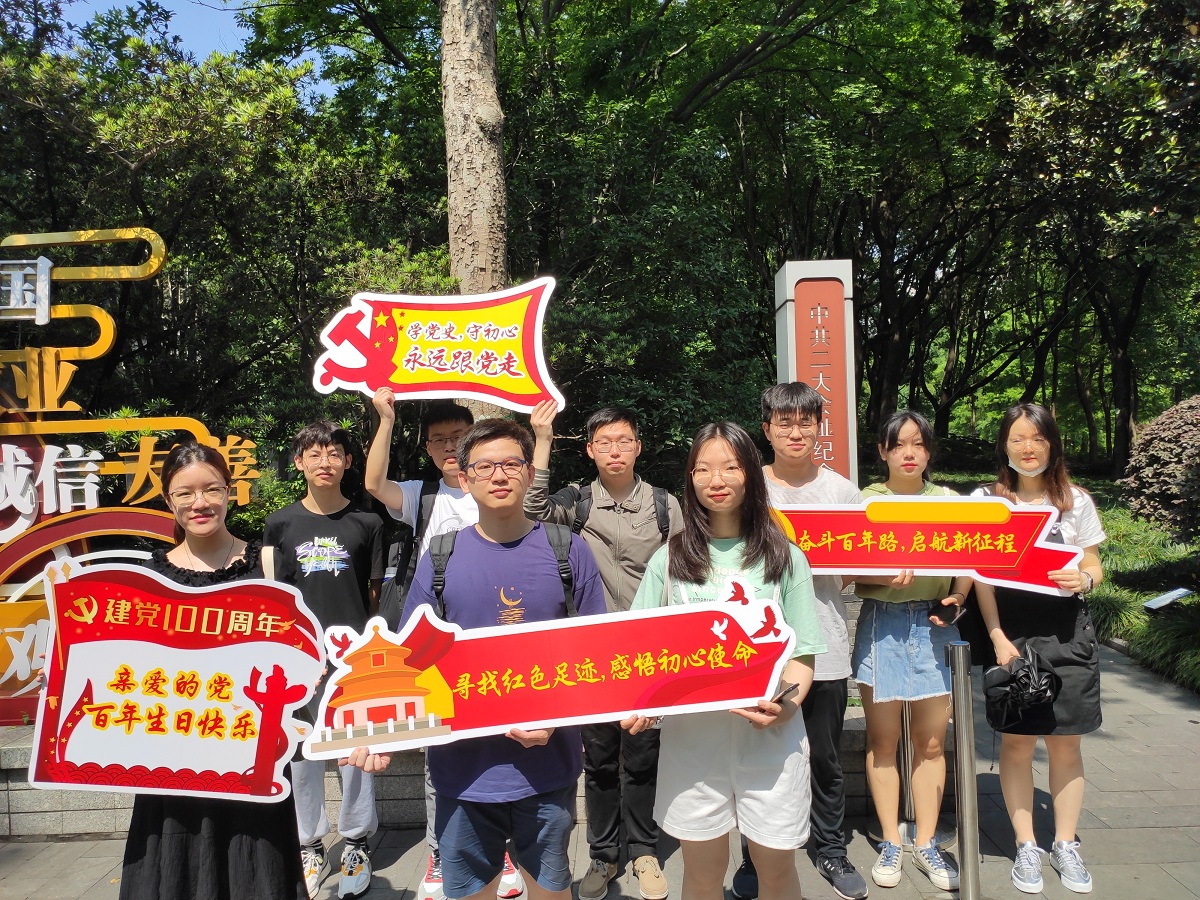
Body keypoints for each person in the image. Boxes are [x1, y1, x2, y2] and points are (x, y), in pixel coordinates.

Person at [377, 418, 606, 900]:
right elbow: (409, 661)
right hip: (462, 772)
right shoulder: (440, 556)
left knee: (551, 891)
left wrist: (558, 716)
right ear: (464, 478)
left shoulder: (569, 550)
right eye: (484, 466)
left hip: (548, 768)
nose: (499, 475)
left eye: (511, 464)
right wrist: (376, 733)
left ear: (529, 473)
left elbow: (597, 656)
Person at [624, 421, 825, 900]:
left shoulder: (786, 558)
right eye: (703, 469)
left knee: (776, 873)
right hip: (692, 744)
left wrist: (786, 706)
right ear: (690, 478)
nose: (716, 480)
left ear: (751, 472)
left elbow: (802, 655)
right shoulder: (668, 560)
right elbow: (637, 651)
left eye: (730, 467)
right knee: (701, 874)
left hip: (770, 743)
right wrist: (639, 703)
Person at [119, 442, 307, 900]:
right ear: (168, 500)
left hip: (250, 754)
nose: (199, 503)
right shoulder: (150, 578)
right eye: (184, 493)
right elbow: (127, 667)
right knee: (177, 869)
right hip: (173, 756)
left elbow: (302, 648)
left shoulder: (269, 564)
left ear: (229, 490)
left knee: (255, 870)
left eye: (212, 489)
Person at [364, 390, 526, 900]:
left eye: (458, 437)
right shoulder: (424, 495)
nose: (450, 447)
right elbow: (373, 484)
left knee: (502, 741)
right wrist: (385, 420)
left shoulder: (497, 487)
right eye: (439, 440)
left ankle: (501, 849)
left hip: (496, 634)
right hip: (440, 644)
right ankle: (440, 853)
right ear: (429, 448)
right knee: (444, 748)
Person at [523, 401, 682, 900]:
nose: (615, 451)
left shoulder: (664, 505)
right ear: (590, 450)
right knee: (599, 759)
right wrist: (543, 440)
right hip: (591, 653)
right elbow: (531, 510)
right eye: (605, 443)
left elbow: (686, 572)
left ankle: (645, 852)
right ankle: (603, 855)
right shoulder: (577, 501)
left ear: (638, 447)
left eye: (624, 441)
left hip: (648, 652)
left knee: (643, 755)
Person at [731, 382, 867, 900]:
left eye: (805, 422)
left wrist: (889, 570)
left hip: (824, 646)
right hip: (761, 651)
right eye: (783, 423)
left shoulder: (842, 493)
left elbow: (855, 570)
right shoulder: (748, 489)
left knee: (825, 760)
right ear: (766, 429)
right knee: (759, 758)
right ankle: (754, 858)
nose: (795, 432)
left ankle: (830, 849)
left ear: (818, 428)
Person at [973, 404, 1106, 896]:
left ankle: (1065, 843)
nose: (1028, 448)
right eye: (1017, 438)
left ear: (1052, 444)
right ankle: (1026, 844)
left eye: (1038, 438)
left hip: (1068, 631)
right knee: (1017, 741)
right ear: (1004, 446)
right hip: (1011, 632)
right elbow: (980, 575)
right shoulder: (986, 501)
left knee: (1067, 742)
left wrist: (1084, 579)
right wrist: (996, 636)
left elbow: (1094, 563)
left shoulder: (1076, 500)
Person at [851, 411, 972, 891]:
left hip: (934, 624)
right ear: (882, 451)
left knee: (932, 743)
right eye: (898, 445)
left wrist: (958, 596)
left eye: (918, 444)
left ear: (929, 451)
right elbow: (846, 568)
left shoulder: (949, 502)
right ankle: (889, 841)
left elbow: (971, 558)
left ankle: (926, 842)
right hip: (881, 622)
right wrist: (879, 574)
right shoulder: (864, 503)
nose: (909, 453)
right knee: (883, 742)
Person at [263, 422, 384, 900]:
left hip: (352, 657)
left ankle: (356, 844)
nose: (324, 462)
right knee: (301, 754)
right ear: (299, 463)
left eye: (334, 453)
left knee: (355, 752)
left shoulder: (367, 522)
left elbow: (374, 595)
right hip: (297, 659)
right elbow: (273, 596)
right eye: (313, 454)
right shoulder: (280, 524)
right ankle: (309, 846)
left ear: (348, 462)